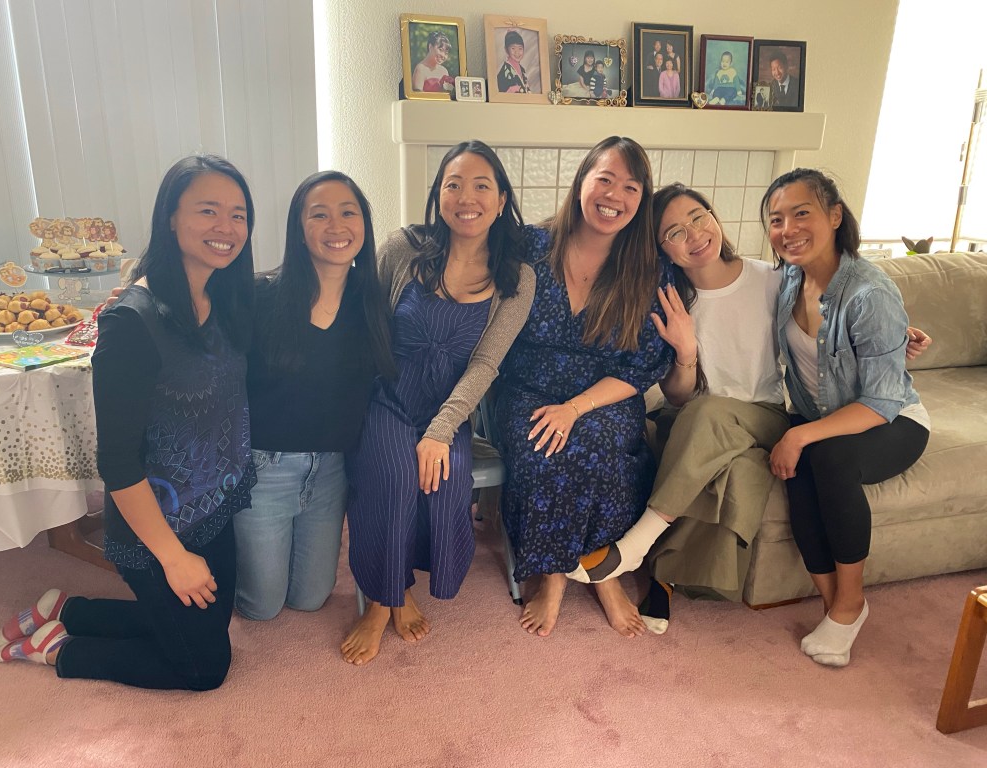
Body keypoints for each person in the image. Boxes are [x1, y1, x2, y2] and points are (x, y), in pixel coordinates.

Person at [569, 184, 932, 636]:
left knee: (711, 417)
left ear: (714, 216)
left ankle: (638, 546)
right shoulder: (668, 301)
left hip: (765, 414)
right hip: (696, 417)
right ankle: (665, 575)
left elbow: (830, 316)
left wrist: (897, 334)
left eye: (698, 217)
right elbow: (678, 397)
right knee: (729, 455)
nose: (694, 235)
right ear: (662, 248)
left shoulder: (774, 279)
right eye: (675, 232)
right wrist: (685, 351)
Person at [0, 154, 257, 690]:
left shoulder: (225, 297)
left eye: (238, 214)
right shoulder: (132, 321)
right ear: (171, 218)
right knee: (204, 669)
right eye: (208, 210)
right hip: (153, 528)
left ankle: (70, 610)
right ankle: (60, 648)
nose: (226, 227)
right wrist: (174, 558)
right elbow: (116, 461)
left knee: (208, 629)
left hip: (213, 509)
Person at [341, 140, 535, 665]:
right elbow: (366, 326)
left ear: (501, 200)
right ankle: (384, 600)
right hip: (385, 397)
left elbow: (486, 364)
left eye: (481, 186)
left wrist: (440, 431)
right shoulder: (402, 248)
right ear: (438, 194)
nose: (466, 197)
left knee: (444, 484)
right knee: (392, 475)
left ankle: (401, 585)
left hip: (448, 410)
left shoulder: (517, 278)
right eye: (454, 184)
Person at [497, 136, 675, 639]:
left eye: (631, 187)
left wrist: (576, 407)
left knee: (603, 446)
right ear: (582, 182)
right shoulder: (530, 246)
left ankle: (604, 574)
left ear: (641, 201)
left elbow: (642, 364)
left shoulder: (648, 269)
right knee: (546, 445)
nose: (614, 195)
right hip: (528, 388)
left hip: (606, 392)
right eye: (605, 179)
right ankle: (553, 576)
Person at [763, 168, 930, 667]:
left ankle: (851, 602)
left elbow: (881, 401)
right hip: (824, 414)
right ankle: (833, 604)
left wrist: (800, 436)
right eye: (776, 219)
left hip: (893, 421)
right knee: (796, 468)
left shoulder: (869, 293)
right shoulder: (788, 279)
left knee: (825, 454)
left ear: (835, 216)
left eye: (802, 213)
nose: (788, 229)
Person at [233, 172, 394, 621]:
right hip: (264, 469)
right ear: (299, 229)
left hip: (330, 472)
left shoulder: (372, 301)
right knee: (262, 607)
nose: (336, 226)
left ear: (364, 225)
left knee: (310, 598)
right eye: (319, 215)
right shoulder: (260, 295)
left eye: (348, 213)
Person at [497, 29, 529, 94]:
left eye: (520, 48)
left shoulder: (522, 70)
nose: (517, 52)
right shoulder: (504, 72)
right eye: (513, 48)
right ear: (506, 50)